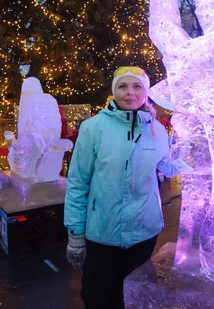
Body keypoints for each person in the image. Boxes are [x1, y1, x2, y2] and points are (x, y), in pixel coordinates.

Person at [64, 66, 187, 309]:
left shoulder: (157, 130)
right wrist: (75, 235)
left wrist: (193, 158)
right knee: (98, 297)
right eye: (123, 86)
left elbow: (166, 167)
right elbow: (78, 183)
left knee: (135, 299)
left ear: (145, 92)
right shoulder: (93, 128)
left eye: (137, 86)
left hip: (144, 233)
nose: (130, 93)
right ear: (114, 91)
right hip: (102, 234)